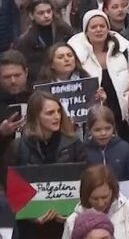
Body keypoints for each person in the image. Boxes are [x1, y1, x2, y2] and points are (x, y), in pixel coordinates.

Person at [7, 91, 87, 238]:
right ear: (36, 116)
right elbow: (9, 190)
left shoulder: (74, 144)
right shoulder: (18, 147)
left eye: (58, 111)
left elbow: (87, 182)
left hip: (66, 226)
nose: (57, 116)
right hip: (29, 230)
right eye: (50, 113)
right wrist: (31, 217)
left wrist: (72, 214)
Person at [68, 10, 129, 131]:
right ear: (86, 31)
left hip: (123, 116)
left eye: (102, 26)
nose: (98, 30)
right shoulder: (76, 55)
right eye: (93, 27)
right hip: (92, 121)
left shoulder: (123, 49)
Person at [64, 164, 129, 239]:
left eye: (105, 197)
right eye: (95, 199)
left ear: (113, 191)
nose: (100, 204)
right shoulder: (73, 221)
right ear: (86, 196)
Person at [83, 106, 129, 206]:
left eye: (107, 128)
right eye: (97, 130)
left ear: (113, 127)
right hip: (93, 206)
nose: (103, 133)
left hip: (123, 204)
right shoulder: (83, 151)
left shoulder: (125, 149)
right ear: (89, 130)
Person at [14, 0, 74, 82]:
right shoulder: (25, 40)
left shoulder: (65, 30)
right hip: (39, 80)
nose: (46, 16)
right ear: (31, 15)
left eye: (49, 11)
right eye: (41, 13)